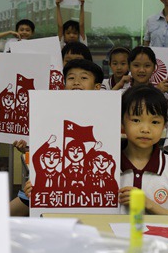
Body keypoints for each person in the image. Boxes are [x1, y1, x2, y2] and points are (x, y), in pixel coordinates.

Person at [8, 58, 104, 217]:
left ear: (97, 87)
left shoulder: (106, 115)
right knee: (1, 215)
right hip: (48, 185)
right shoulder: (51, 112)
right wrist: (27, 149)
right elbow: (48, 150)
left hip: (87, 189)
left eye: (84, 78)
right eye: (71, 78)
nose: (76, 82)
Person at [119, 86, 168, 216]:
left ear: (164, 125)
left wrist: (148, 204)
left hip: (159, 237)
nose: (145, 129)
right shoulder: (105, 165)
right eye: (136, 120)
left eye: (155, 122)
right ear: (122, 122)